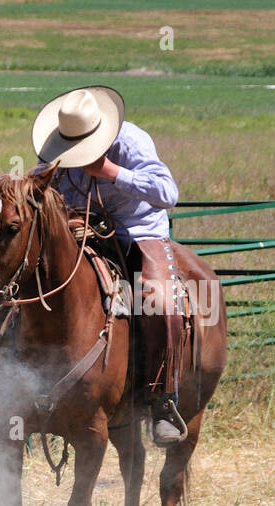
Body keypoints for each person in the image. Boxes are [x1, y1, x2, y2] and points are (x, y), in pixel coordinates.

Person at [32, 85, 187, 446]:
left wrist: (113, 172)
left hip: (137, 232)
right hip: (79, 231)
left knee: (160, 300)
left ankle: (163, 400)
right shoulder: (58, 148)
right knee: (21, 280)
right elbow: (37, 182)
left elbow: (168, 194)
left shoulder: (131, 142)